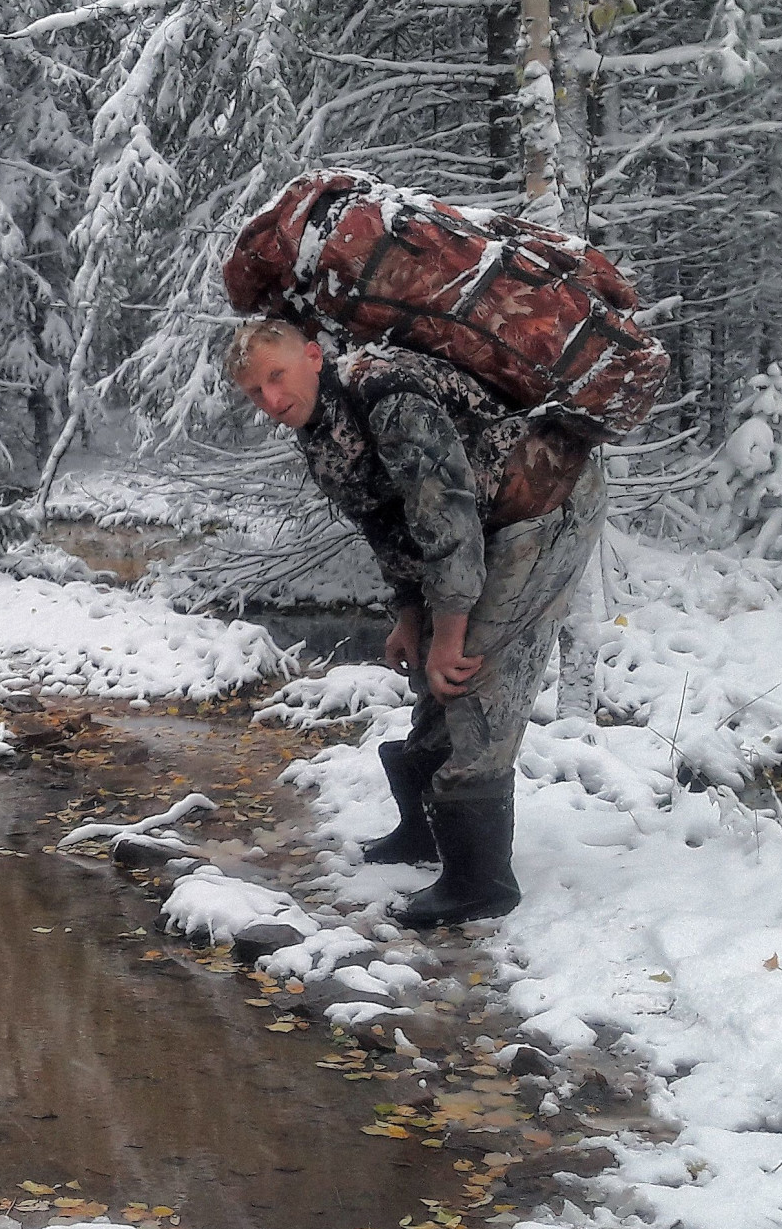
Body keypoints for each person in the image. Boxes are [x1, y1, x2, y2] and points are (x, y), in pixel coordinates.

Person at [225, 318, 603, 926]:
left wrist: (449, 635)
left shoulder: (388, 395)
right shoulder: (321, 430)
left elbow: (445, 516)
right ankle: (426, 833)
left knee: (475, 669)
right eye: (254, 391)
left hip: (544, 500)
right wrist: (410, 617)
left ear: (314, 358)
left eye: (277, 376)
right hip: (481, 517)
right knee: (435, 663)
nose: (271, 400)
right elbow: (390, 524)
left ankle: (481, 884)